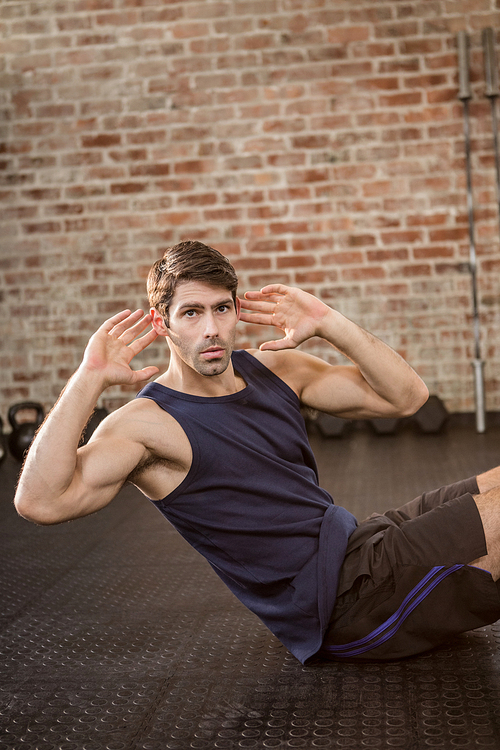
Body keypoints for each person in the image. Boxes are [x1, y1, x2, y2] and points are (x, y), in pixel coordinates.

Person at [14, 240, 500, 664]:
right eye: (191, 313)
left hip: (355, 540)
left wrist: (328, 322)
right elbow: (41, 500)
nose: (212, 329)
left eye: (221, 309)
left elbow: (407, 397)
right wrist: (88, 378)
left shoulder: (275, 369)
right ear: (163, 324)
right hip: (339, 601)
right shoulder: (146, 426)